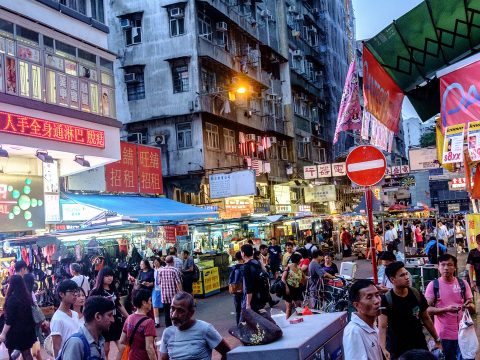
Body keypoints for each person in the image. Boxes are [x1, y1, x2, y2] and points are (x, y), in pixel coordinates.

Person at [379, 261, 441, 359]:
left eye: (406, 273)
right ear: (392, 279)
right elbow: (382, 327)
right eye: (402, 275)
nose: (407, 277)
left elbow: (426, 318)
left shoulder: (416, 294)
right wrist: (383, 348)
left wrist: (437, 339)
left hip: (419, 345)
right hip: (397, 349)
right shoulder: (386, 299)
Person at [425, 254, 474, 360]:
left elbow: (473, 307)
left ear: (455, 267)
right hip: (443, 335)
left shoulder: (463, 284)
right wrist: (445, 309)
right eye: (442, 265)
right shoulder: (433, 285)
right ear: (438, 267)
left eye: (450, 265)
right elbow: (426, 310)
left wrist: (468, 306)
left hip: (464, 334)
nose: (446, 268)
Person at [159, 291, 231, 360]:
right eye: (172, 308)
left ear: (191, 313)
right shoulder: (167, 333)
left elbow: (227, 353)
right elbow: (163, 358)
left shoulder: (205, 329)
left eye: (180, 310)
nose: (174, 315)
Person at [90, 266, 129, 358]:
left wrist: (128, 316)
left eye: (111, 275)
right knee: (106, 349)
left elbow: (118, 305)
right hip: (102, 322)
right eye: (107, 276)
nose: (110, 278)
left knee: (122, 347)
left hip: (115, 321)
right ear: (101, 277)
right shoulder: (96, 291)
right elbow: (90, 307)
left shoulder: (113, 290)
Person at [343, 279, 383, 360]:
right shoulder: (354, 331)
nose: (377, 301)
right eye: (369, 297)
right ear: (357, 305)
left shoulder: (371, 325)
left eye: (377, 295)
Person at [0, 275, 36, 360]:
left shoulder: (12, 299)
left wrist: (3, 333)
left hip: (15, 332)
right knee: (26, 353)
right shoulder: (27, 298)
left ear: (11, 284)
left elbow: (10, 319)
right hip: (27, 330)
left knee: (7, 353)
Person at [117, 289, 157, 360]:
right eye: (150, 300)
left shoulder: (129, 318)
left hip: (132, 356)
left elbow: (122, 340)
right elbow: (149, 348)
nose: (151, 302)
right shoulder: (148, 322)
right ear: (144, 302)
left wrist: (135, 345)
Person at [50, 280, 81, 357]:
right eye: (71, 292)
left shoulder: (75, 314)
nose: (75, 294)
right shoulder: (57, 319)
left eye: (76, 291)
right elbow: (56, 347)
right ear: (61, 294)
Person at [242, 244, 268, 313]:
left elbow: (248, 286)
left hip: (252, 298)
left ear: (243, 253)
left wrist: (248, 303)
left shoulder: (246, 266)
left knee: (250, 319)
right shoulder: (256, 262)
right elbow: (265, 271)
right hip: (260, 294)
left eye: (241, 252)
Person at [157, 255, 183, 327]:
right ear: (173, 262)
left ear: (165, 262)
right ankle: (175, 326)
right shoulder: (175, 270)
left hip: (164, 295)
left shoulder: (160, 271)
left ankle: (168, 327)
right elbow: (178, 283)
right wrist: (181, 293)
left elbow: (159, 282)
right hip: (173, 296)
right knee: (174, 311)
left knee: (166, 312)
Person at [281, 253, 305, 318]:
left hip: (297, 289)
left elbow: (304, 277)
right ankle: (287, 322)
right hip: (289, 289)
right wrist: (286, 288)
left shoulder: (299, 268)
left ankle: (299, 320)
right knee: (289, 307)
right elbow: (283, 278)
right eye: (300, 259)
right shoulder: (288, 267)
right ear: (297, 260)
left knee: (298, 306)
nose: (301, 261)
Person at [229, 251, 244, 325]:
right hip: (244, 289)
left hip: (235, 289)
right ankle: (245, 324)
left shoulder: (233, 267)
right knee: (245, 307)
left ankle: (238, 324)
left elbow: (230, 279)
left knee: (238, 309)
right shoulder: (245, 267)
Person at [152, 257, 164, 328]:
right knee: (155, 305)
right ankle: (157, 322)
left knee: (166, 305)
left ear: (160, 262)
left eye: (157, 262)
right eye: (154, 262)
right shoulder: (153, 270)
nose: (155, 263)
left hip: (163, 289)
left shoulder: (163, 269)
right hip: (155, 289)